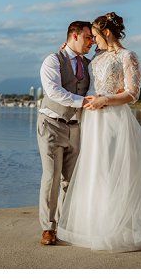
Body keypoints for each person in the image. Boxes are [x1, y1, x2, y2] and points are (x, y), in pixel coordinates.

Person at [56, 12, 141, 252]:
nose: (93, 41)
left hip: (113, 119)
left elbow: (133, 93)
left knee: (115, 170)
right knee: (95, 170)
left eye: (96, 35)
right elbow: (77, 62)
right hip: (92, 121)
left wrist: (105, 100)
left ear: (106, 33)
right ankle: (95, 225)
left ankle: (121, 227)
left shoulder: (128, 56)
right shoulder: (96, 57)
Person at [36, 21, 95, 245]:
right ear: (74, 35)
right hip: (51, 124)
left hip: (76, 127)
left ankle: (65, 224)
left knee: (71, 180)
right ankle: (48, 228)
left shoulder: (89, 65)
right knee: (51, 176)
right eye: (88, 37)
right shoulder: (53, 60)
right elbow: (54, 91)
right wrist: (84, 102)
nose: (91, 41)